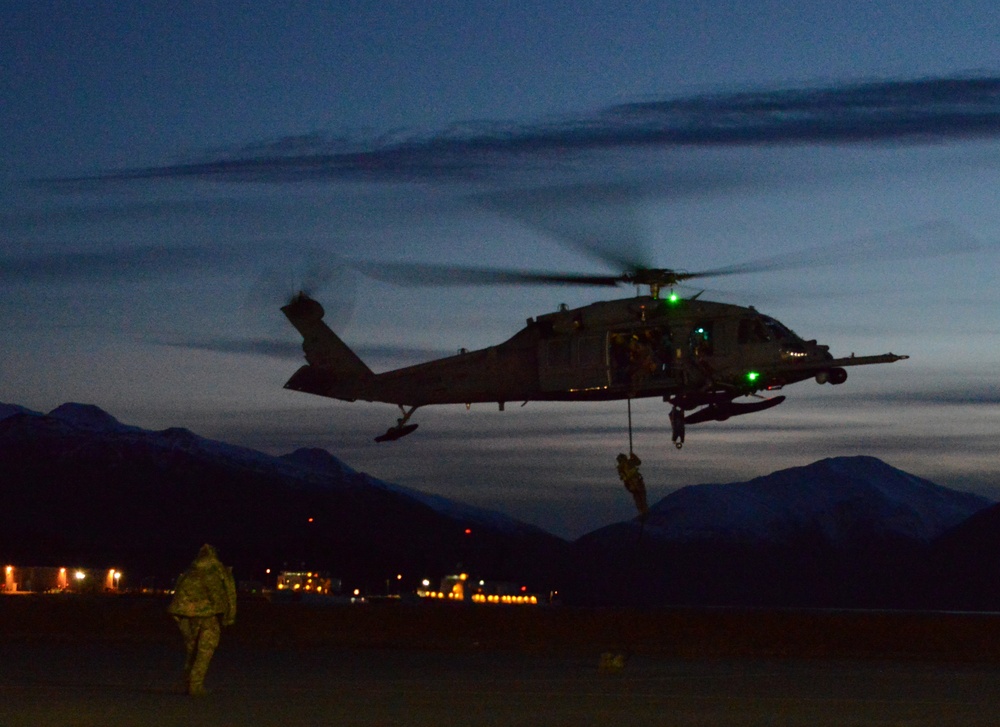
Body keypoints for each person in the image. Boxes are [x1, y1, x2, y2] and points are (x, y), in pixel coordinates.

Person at [168, 544, 237, 696]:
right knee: (205, 649)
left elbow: (178, 592)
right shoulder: (218, 570)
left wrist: (177, 614)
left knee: (192, 650)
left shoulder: (191, 570)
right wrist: (229, 617)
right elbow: (230, 593)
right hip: (208, 614)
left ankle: (186, 683)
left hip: (186, 614)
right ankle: (195, 685)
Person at [615, 452, 649, 521]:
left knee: (640, 499)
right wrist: (633, 472)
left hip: (635, 484)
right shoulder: (622, 468)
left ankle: (644, 513)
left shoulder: (627, 463)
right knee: (640, 499)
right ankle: (644, 513)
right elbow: (625, 477)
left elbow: (638, 462)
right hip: (634, 484)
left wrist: (634, 456)